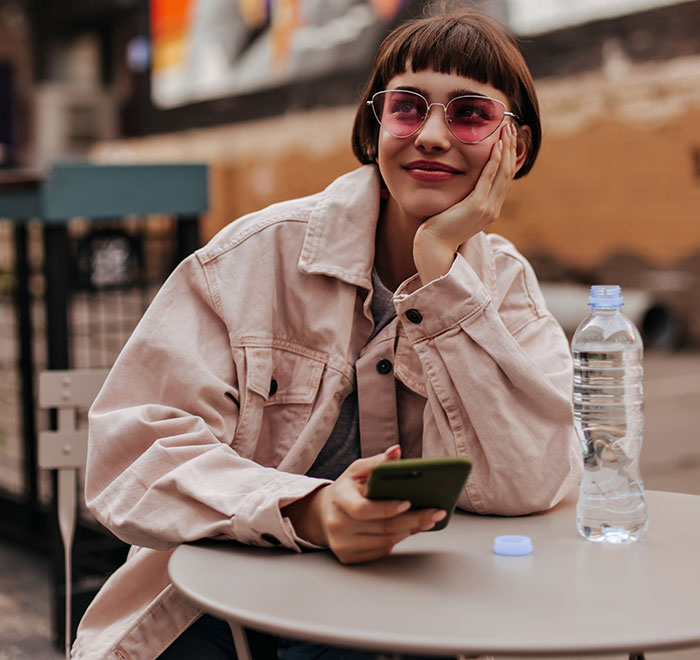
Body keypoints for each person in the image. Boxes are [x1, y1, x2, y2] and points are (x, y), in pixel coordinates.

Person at [72, 8, 581, 660]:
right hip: (211, 612)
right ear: (375, 130)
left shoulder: (506, 289)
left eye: (470, 114)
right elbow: (133, 452)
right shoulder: (256, 257)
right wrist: (308, 510)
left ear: (517, 147)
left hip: (402, 616)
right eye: (407, 107)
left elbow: (530, 484)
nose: (430, 134)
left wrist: (443, 274)